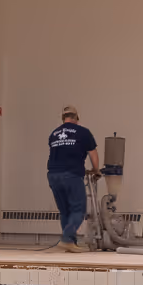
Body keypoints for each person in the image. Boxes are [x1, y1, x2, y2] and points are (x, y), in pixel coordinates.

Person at [45, 106, 100, 252]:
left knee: (65, 211)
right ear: (77, 118)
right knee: (79, 210)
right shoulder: (83, 132)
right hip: (71, 175)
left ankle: (70, 243)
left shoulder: (54, 134)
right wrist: (96, 170)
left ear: (63, 119)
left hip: (53, 175)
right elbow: (93, 154)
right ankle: (67, 239)